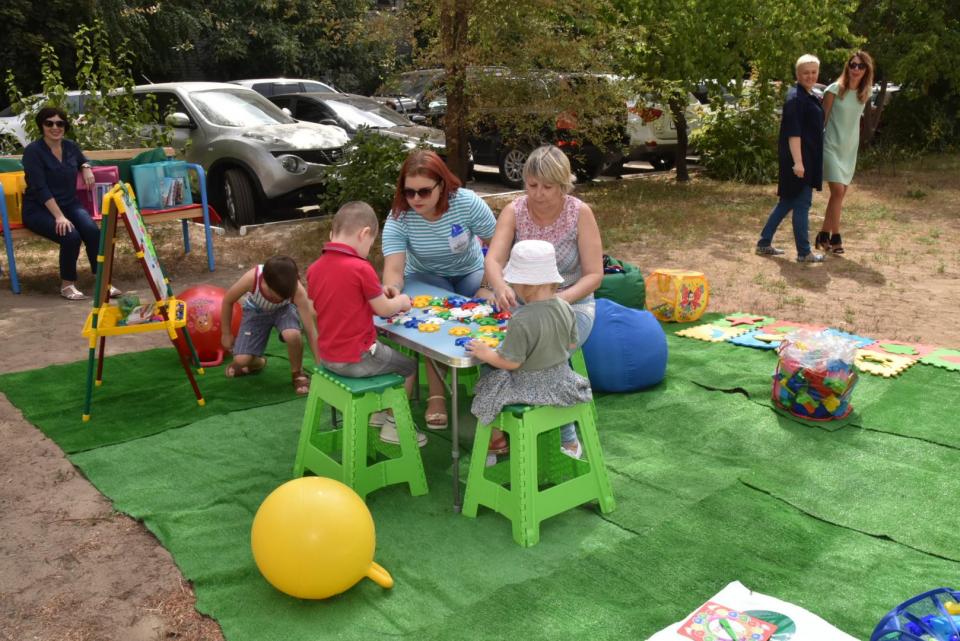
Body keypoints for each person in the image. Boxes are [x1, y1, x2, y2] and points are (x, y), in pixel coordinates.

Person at [483, 144, 603, 456]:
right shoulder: (515, 210)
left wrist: (558, 301)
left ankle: (565, 432)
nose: (538, 193)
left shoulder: (580, 213)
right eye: (532, 184)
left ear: (563, 185)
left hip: (573, 304)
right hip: (523, 305)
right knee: (495, 352)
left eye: (547, 187)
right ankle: (499, 433)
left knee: (535, 354)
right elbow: (493, 259)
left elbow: (594, 275)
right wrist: (500, 286)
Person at [381, 149, 497, 431]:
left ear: (442, 185)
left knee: (494, 309)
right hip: (425, 276)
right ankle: (437, 397)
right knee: (434, 317)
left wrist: (487, 287)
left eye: (423, 191)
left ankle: (492, 389)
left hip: (471, 272)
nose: (415, 199)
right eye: (409, 192)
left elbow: (499, 244)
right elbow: (394, 270)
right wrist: (392, 291)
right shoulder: (399, 216)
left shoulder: (466, 202)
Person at [307, 201, 427, 447]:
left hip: (328, 357)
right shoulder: (361, 268)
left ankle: (378, 413)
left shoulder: (315, 268)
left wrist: (375, 293)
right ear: (364, 233)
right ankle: (394, 426)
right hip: (355, 358)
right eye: (371, 243)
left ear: (332, 233)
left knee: (383, 355)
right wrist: (401, 301)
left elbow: (326, 303)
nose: (368, 249)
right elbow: (384, 310)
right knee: (408, 367)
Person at [467, 240, 592, 458]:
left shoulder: (521, 318)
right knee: (559, 401)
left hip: (529, 386)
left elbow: (511, 363)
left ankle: (495, 441)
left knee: (487, 387)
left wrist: (486, 354)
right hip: (562, 380)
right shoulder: (566, 307)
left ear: (525, 285)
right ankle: (570, 442)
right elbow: (571, 344)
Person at [21, 106, 118, 300]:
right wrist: (59, 217)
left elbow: (82, 159)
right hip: (39, 208)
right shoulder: (33, 152)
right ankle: (67, 285)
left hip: (70, 204)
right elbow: (40, 188)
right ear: (41, 126)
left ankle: (102, 281)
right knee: (70, 236)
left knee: (93, 232)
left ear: (65, 126)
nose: (55, 127)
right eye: (49, 123)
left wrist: (86, 167)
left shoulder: (70, 146)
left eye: (60, 123)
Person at [756, 54, 825, 263]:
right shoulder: (796, 98)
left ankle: (764, 243)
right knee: (802, 204)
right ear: (797, 74)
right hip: (799, 160)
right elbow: (793, 134)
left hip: (806, 158)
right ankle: (804, 252)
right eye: (806, 72)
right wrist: (799, 162)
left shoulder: (808, 95)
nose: (810, 76)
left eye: (814, 72)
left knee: (787, 202)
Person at [220, 255, 319, 396]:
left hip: (284, 310)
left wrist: (320, 364)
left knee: (292, 335)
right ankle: (258, 362)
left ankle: (297, 373)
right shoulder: (252, 278)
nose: (279, 299)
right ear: (265, 282)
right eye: (276, 295)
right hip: (256, 311)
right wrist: (226, 333)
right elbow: (228, 300)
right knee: (241, 360)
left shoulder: (297, 290)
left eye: (285, 296)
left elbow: (310, 330)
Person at [815, 51, 875, 255]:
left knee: (838, 196)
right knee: (838, 192)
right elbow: (822, 120)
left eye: (860, 66)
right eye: (852, 64)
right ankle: (836, 238)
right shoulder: (834, 89)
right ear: (847, 66)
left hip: (849, 149)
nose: (855, 69)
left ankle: (823, 235)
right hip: (830, 145)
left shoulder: (865, 93)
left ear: (866, 70)